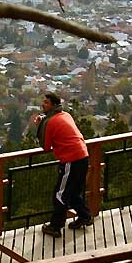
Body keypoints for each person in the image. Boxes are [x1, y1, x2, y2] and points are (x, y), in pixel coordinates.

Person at [35, 92, 93, 237]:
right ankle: (85, 216)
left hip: (70, 160)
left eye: (46, 102)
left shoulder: (50, 122)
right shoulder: (65, 115)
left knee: (60, 194)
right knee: (74, 192)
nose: (43, 104)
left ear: (53, 105)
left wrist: (40, 125)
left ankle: (55, 226)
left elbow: (46, 146)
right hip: (83, 155)